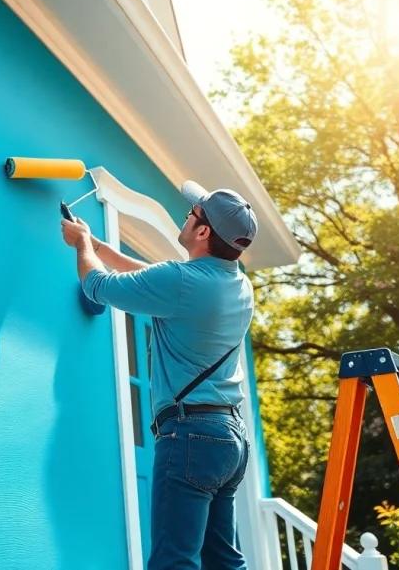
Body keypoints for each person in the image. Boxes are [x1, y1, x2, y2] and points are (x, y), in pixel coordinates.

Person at [60, 180, 258, 570]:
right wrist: (97, 245)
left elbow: (97, 286)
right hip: (229, 442)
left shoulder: (182, 281)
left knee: (174, 561)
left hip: (191, 437)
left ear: (202, 232)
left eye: (193, 213)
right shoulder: (238, 285)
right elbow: (153, 280)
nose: (187, 215)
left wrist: (81, 247)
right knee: (224, 561)